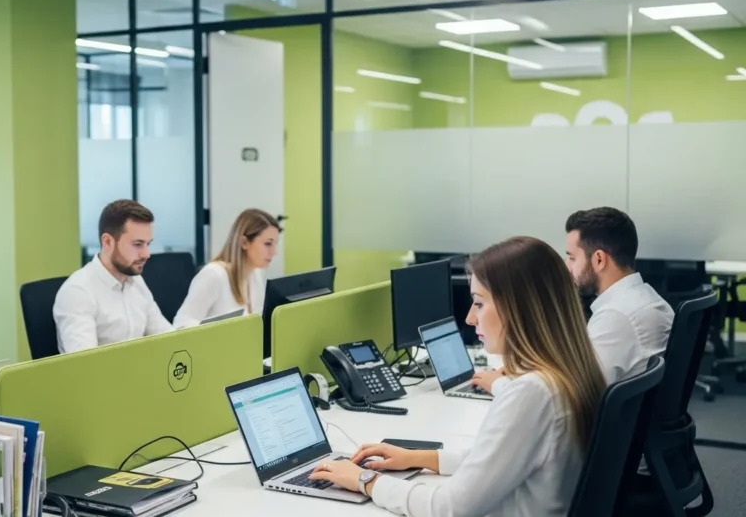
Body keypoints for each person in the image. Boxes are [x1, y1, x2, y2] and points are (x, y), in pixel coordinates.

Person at [309, 236, 606, 516]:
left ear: (519, 308)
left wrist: (365, 480)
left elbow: (450, 508)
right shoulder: (570, 371)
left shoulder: (532, 393)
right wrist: (418, 457)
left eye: (479, 303)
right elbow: (498, 461)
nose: (470, 318)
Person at [474, 207, 672, 395]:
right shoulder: (646, 299)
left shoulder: (618, 317)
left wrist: (498, 385)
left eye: (572, 258)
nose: (568, 268)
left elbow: (573, 395)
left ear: (599, 260)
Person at [54, 200, 172, 353]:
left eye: (147, 244)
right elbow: (85, 366)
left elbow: (167, 338)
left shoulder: (135, 281)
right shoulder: (78, 292)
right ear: (108, 242)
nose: (146, 254)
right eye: (137, 244)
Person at [173, 209, 279, 328]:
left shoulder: (256, 274)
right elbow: (181, 324)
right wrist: (219, 332)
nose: (274, 252)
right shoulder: (214, 275)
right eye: (268, 244)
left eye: (275, 244)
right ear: (244, 242)